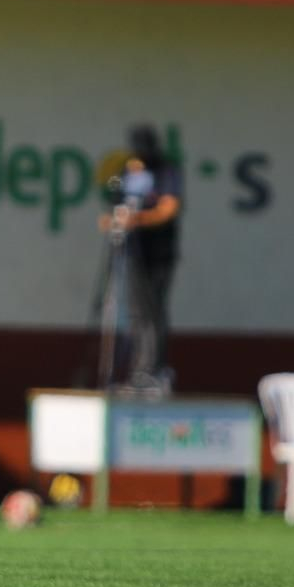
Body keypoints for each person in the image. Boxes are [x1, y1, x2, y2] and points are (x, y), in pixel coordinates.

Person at [101, 124, 182, 392]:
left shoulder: (165, 171)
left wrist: (139, 219)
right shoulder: (128, 171)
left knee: (153, 311)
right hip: (132, 252)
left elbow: (169, 208)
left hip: (157, 253)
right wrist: (115, 219)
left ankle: (154, 369)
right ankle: (136, 369)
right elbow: (117, 202)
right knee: (136, 311)